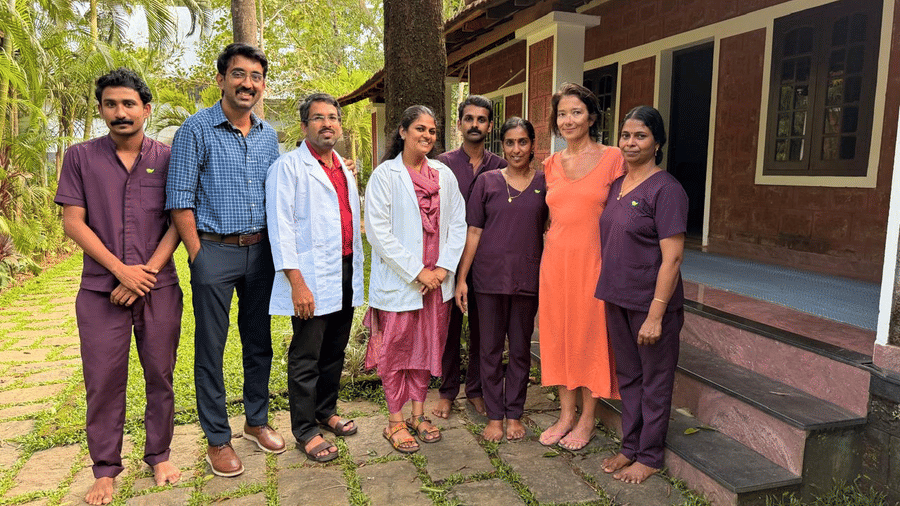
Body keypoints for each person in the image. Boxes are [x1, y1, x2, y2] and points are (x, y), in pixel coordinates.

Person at [55, 68, 182, 505]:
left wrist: (143, 273)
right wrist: (121, 272)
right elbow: (74, 222)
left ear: (147, 109)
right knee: (103, 378)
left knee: (160, 373)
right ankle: (105, 470)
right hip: (98, 292)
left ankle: (159, 455)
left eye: (129, 104)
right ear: (101, 109)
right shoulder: (80, 158)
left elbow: (177, 223)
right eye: (111, 104)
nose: (120, 112)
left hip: (159, 286)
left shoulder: (168, 157)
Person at [166, 43, 286, 477]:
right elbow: (179, 201)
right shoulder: (195, 130)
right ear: (221, 79)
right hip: (214, 251)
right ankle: (217, 439)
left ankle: (255, 421)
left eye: (255, 76)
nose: (247, 83)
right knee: (211, 348)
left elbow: (280, 192)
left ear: (263, 85)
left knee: (259, 343)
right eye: (238, 74)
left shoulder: (269, 134)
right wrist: (199, 255)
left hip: (262, 252)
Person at [266, 93, 364, 462]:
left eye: (333, 117)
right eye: (318, 118)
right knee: (307, 353)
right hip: (310, 275)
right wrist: (297, 283)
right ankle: (305, 429)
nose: (327, 124)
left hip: (345, 269)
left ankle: (326, 410)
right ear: (305, 126)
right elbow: (281, 228)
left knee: (335, 348)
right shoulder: (288, 168)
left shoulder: (343, 169)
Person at [364, 105, 467, 454]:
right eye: (420, 129)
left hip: (436, 284)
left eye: (432, 131)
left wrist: (441, 270)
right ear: (403, 132)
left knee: (426, 350)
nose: (426, 135)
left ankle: (419, 414)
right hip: (402, 283)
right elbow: (378, 232)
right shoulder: (385, 175)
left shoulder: (444, 174)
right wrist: (417, 271)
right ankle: (394, 421)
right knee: (395, 353)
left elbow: (458, 224)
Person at [596, 106, 687, 484]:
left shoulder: (667, 190)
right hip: (617, 297)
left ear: (657, 143)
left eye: (640, 136)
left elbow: (674, 257)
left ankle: (649, 455)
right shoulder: (618, 185)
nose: (631, 143)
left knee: (655, 380)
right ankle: (629, 447)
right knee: (629, 377)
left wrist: (655, 314)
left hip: (650, 305)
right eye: (626, 136)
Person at [538, 83, 623, 451]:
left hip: (595, 263)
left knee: (589, 337)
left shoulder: (613, 158)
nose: (568, 120)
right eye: (562, 114)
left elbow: (624, 213)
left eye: (576, 112)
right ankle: (565, 414)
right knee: (558, 336)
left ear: (591, 116)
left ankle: (587, 419)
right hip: (555, 263)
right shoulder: (550, 164)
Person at [454, 117, 547, 442]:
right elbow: (474, 231)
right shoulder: (488, 182)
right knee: (490, 349)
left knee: (521, 350)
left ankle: (514, 414)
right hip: (488, 280)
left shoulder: (544, 183)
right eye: (510, 142)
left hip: (527, 280)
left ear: (532, 145)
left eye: (523, 142)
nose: (517, 148)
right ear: (502, 146)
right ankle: (495, 415)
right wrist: (462, 279)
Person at [433, 96, 507, 419]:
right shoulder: (442, 164)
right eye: (469, 118)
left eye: (481, 119)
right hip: (448, 260)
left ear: (489, 126)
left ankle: (476, 389)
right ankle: (448, 391)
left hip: (487, 260)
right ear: (460, 123)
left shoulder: (502, 167)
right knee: (449, 329)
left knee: (484, 330)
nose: (475, 124)